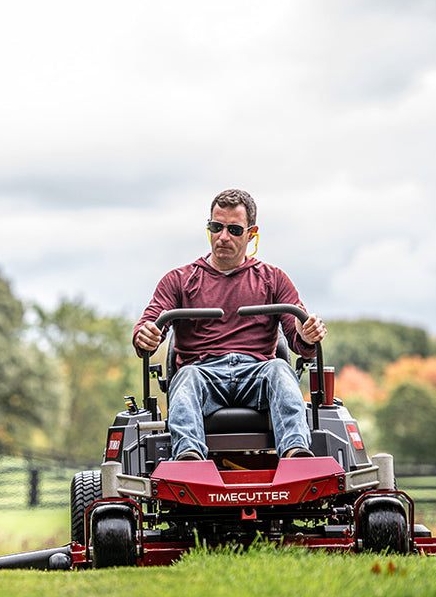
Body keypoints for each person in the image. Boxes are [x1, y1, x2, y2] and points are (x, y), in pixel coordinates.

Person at [132, 188, 326, 461]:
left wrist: (308, 335)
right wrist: (146, 336)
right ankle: (189, 458)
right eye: (216, 227)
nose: (223, 237)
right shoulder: (178, 280)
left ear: (251, 233)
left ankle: (296, 455)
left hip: (256, 373)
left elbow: (300, 340)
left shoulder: (274, 279)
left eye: (234, 230)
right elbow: (148, 325)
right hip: (201, 372)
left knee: (281, 369)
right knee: (184, 377)